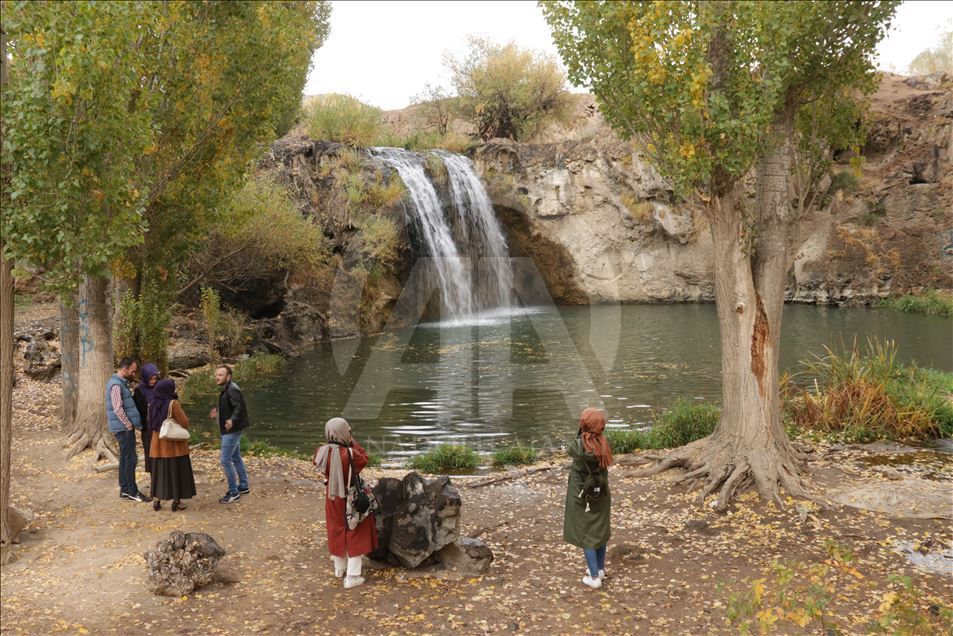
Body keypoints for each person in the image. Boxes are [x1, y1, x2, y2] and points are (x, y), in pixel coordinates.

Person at [313, 417, 378, 589]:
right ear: (344, 432)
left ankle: (339, 568)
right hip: (350, 496)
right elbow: (364, 458)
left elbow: (316, 463)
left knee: (336, 529)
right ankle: (352, 576)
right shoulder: (349, 454)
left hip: (332, 497)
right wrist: (351, 440)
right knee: (355, 531)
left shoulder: (321, 451)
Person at [563, 407, 613, 589]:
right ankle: (599, 569)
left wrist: (582, 432)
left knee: (586, 533)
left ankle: (594, 578)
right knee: (599, 530)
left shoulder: (578, 446)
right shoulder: (606, 444)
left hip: (583, 497)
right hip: (602, 494)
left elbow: (572, 447)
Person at [105, 357, 151, 502]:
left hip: (121, 428)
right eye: (132, 371)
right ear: (124, 369)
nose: (134, 373)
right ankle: (133, 491)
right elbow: (118, 408)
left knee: (125, 459)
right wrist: (128, 424)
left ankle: (124, 490)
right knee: (131, 459)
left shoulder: (120, 383)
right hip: (123, 429)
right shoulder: (116, 385)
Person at [147, 378, 196, 511]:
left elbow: (151, 423)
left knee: (159, 474)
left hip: (157, 445)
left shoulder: (151, 404)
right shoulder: (172, 404)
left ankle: (157, 500)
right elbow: (184, 422)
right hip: (173, 446)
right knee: (176, 473)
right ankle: (177, 501)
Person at [209, 365, 249, 504]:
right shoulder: (228, 388)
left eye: (220, 375)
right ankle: (243, 486)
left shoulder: (232, 388)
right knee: (236, 457)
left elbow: (239, 407)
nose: (217, 377)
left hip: (231, 431)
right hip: (232, 429)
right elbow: (230, 405)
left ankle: (234, 493)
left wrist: (232, 420)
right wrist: (218, 412)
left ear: (228, 376)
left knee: (225, 460)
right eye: (216, 375)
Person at [132, 362, 160, 477]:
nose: (153, 381)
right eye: (150, 379)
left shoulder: (160, 387)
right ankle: (154, 481)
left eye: (155, 378)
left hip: (161, 426)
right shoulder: (139, 391)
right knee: (151, 453)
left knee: (162, 453)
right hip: (148, 428)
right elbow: (138, 410)